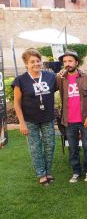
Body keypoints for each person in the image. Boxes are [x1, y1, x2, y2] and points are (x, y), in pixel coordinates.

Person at [12, 48, 57, 185]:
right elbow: (16, 104)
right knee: (35, 147)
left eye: (38, 60)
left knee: (50, 145)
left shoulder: (50, 77)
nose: (36, 63)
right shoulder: (20, 80)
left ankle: (48, 172)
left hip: (47, 118)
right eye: (32, 61)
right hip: (30, 119)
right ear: (26, 64)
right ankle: (41, 174)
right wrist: (22, 123)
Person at [57, 50, 87, 183]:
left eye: (70, 61)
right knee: (73, 148)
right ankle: (76, 172)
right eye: (65, 61)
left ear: (76, 62)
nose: (67, 64)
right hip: (68, 120)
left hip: (84, 119)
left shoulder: (86, 77)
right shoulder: (60, 78)